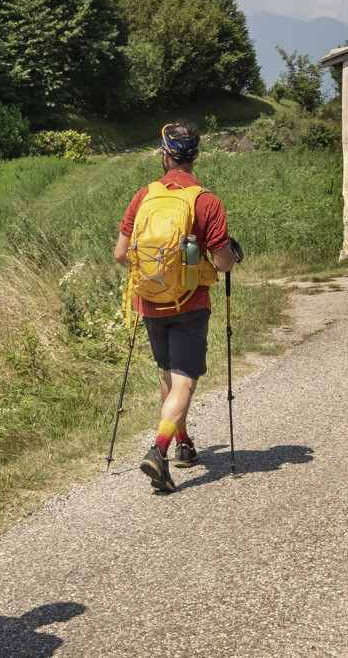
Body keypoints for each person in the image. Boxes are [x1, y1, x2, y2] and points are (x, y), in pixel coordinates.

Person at [112, 122, 238, 492]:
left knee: (169, 374)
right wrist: (231, 251)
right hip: (190, 302)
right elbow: (222, 263)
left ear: (165, 156)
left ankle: (183, 445)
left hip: (150, 302)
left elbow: (121, 254)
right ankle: (160, 448)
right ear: (196, 155)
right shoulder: (207, 201)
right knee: (184, 379)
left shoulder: (143, 197)